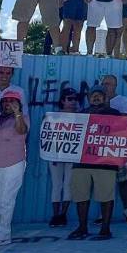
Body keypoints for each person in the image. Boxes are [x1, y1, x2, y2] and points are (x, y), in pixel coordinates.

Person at [67, 87, 124, 240]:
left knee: (106, 196)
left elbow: (123, 134)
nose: (96, 97)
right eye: (93, 95)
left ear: (105, 98)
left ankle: (105, 229)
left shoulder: (115, 114)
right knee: (81, 196)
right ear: (89, 98)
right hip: (81, 163)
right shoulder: (80, 115)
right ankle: (82, 227)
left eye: (100, 95)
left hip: (106, 163)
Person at [0, 88, 30, 248]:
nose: (8, 104)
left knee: (5, 201)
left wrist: (17, 113)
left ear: (18, 104)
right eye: (5, 101)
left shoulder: (23, 118)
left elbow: (22, 130)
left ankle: (4, 235)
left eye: (12, 101)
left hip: (13, 164)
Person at [46, 87, 81, 226]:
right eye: (69, 99)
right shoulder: (54, 116)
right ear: (62, 100)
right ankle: (55, 215)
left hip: (73, 155)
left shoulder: (80, 117)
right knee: (57, 185)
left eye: (75, 99)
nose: (73, 102)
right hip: (56, 155)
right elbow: (48, 136)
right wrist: (52, 153)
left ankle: (63, 215)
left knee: (68, 185)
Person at [103, 74, 127, 224]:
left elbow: (125, 120)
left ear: (115, 86)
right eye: (104, 84)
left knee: (123, 180)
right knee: (103, 180)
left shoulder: (122, 100)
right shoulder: (97, 99)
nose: (106, 86)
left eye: (109, 84)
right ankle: (103, 213)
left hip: (118, 146)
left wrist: (107, 107)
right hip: (100, 147)